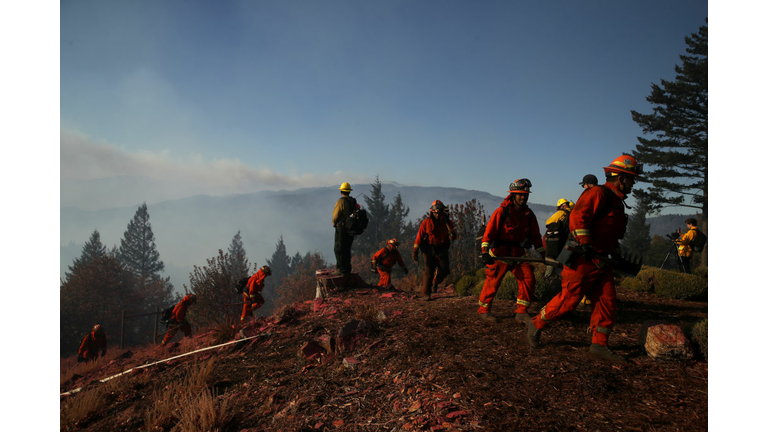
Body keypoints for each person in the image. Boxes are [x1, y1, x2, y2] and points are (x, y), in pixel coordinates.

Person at [524, 155, 643, 362]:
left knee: (607, 302)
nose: (633, 184)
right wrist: (586, 243)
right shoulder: (597, 193)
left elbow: (610, 233)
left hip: (601, 260)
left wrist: (615, 253)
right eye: (631, 179)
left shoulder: (617, 202)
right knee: (568, 301)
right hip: (582, 259)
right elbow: (578, 217)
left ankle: (599, 345)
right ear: (621, 178)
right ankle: (536, 324)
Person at [478, 179, 545, 323]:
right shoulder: (502, 212)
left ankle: (521, 312)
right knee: (493, 283)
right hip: (499, 254)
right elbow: (488, 234)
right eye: (520, 194)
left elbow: (536, 237)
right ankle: (484, 310)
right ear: (513, 195)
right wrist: (485, 251)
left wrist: (544, 254)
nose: (523, 197)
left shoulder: (529, 215)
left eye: (525, 195)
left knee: (528, 277)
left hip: (518, 255)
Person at [412, 200, 456, 301]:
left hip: (442, 248)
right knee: (428, 271)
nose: (437, 214)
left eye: (439, 212)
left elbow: (453, 236)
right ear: (432, 212)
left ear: (442, 212)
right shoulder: (426, 222)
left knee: (444, 269)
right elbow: (419, 236)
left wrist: (452, 235)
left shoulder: (447, 223)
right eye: (435, 212)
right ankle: (426, 294)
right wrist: (415, 250)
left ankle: (436, 281)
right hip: (429, 248)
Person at [543, 198, 573, 281]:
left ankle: (547, 283)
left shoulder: (559, 215)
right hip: (563, 248)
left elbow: (548, 224)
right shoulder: (569, 215)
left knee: (551, 268)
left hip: (553, 250)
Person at [332, 182, 357, 276]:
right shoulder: (353, 201)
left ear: (341, 191)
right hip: (350, 228)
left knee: (339, 248)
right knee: (347, 248)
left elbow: (335, 215)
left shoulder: (341, 202)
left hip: (341, 228)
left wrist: (334, 223)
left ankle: (341, 269)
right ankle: (347, 268)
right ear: (349, 192)